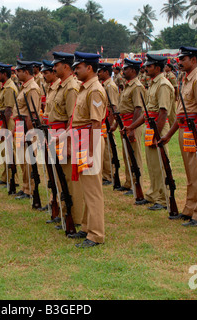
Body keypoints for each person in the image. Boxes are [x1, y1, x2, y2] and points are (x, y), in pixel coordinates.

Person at [159, 46, 197, 227]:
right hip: (184, 129)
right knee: (190, 174)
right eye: (179, 58)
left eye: (184, 58)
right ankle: (189, 209)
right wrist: (169, 136)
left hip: (195, 130)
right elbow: (182, 113)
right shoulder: (187, 79)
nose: (179, 62)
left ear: (194, 60)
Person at [125, 54, 174, 211]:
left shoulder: (163, 85)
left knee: (160, 163)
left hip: (158, 126)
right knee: (152, 164)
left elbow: (163, 112)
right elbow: (146, 113)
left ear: (158, 68)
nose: (146, 68)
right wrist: (132, 126)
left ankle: (163, 197)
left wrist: (156, 135)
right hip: (151, 126)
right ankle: (153, 193)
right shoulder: (153, 84)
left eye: (149, 66)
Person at [68, 51, 107, 248]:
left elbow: (96, 123)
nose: (75, 70)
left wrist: (91, 152)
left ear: (89, 68)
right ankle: (86, 226)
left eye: (78, 67)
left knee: (93, 190)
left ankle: (96, 234)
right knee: (86, 188)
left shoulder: (95, 90)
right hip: (82, 139)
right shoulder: (85, 88)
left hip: (90, 141)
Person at [50, 52, 85, 229]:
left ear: (65, 66)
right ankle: (65, 213)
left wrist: (70, 143)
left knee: (71, 180)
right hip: (57, 135)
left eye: (56, 65)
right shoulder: (60, 86)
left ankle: (76, 216)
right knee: (61, 177)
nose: (53, 68)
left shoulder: (71, 87)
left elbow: (73, 118)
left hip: (65, 136)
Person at [114, 58, 146, 203]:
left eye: (126, 69)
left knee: (134, 154)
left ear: (133, 70)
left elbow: (138, 108)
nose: (123, 71)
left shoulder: (137, 86)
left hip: (132, 124)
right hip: (125, 124)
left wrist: (132, 128)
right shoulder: (128, 86)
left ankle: (137, 183)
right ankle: (129, 182)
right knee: (127, 154)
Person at [14, 60, 42, 200]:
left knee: (28, 159)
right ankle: (25, 186)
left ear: (26, 72)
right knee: (22, 158)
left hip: (27, 127)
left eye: (19, 71)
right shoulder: (24, 87)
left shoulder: (32, 88)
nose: (16, 73)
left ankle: (30, 189)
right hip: (20, 126)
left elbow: (32, 113)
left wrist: (30, 134)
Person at [97, 62, 119, 187]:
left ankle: (108, 175)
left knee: (108, 150)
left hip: (107, 121)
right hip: (104, 120)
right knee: (104, 150)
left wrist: (110, 125)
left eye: (100, 71)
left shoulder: (110, 86)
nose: (98, 73)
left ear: (106, 72)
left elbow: (113, 107)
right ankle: (106, 174)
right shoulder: (104, 85)